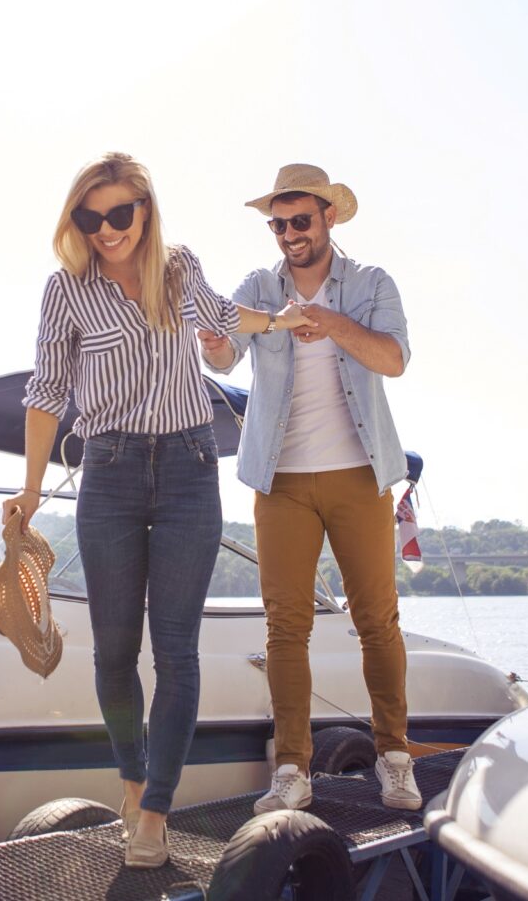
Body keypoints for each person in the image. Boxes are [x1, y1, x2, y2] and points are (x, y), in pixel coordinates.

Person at [2, 152, 308, 868]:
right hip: (106, 471)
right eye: (91, 216)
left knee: (175, 652)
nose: (106, 230)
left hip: (188, 469)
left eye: (119, 214)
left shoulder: (177, 268)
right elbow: (46, 391)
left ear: (145, 209)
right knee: (113, 651)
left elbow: (227, 318)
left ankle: (156, 811)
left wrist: (286, 321)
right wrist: (32, 485)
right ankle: (133, 783)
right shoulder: (66, 290)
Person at [197, 163, 422, 812]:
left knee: (377, 620)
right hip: (281, 481)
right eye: (278, 223)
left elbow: (395, 359)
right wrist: (214, 344)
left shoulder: (372, 283)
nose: (289, 233)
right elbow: (223, 354)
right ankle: (291, 769)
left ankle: (396, 757)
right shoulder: (258, 287)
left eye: (300, 220)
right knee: (284, 627)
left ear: (328, 218)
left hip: (359, 475)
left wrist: (330, 323)